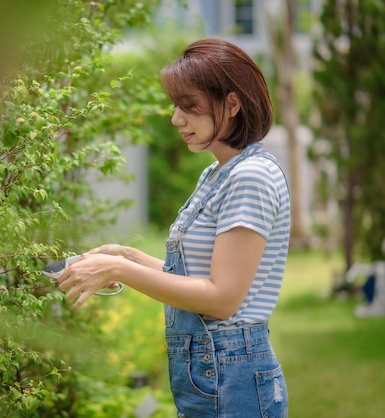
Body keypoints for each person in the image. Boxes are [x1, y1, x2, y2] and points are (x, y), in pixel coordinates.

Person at [57, 38, 291, 418]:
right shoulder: (217, 174)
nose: (175, 119)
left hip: (232, 376)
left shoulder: (251, 177)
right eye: (175, 107)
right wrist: (124, 255)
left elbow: (221, 299)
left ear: (232, 103)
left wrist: (119, 270)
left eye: (189, 107)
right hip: (214, 372)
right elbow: (194, 275)